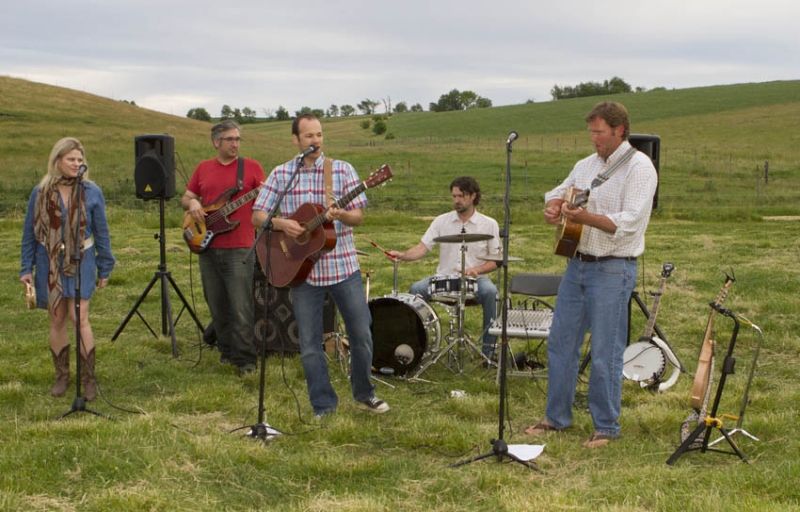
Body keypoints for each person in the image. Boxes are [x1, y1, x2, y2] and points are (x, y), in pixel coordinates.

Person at [525, 101, 658, 448]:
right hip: (577, 265)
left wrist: (584, 218)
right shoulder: (585, 165)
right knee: (560, 343)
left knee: (604, 351)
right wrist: (554, 207)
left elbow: (629, 223)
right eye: (591, 132)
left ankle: (606, 426)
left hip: (613, 268)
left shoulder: (640, 168)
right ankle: (556, 418)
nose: (594, 138)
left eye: (599, 132)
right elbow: (558, 192)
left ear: (619, 130)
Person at [251, 113, 389, 417]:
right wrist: (283, 224)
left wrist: (341, 215)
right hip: (303, 272)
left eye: (319, 135)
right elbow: (258, 216)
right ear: (296, 140)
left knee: (361, 334)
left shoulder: (341, 170)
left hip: (343, 268)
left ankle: (364, 393)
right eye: (309, 136)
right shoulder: (282, 174)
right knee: (310, 344)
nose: (316, 141)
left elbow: (358, 216)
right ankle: (323, 405)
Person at [20, 137, 115, 401]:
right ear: (58, 161)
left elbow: (102, 232)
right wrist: (26, 267)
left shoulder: (91, 191)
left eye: (79, 159)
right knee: (57, 317)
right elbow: (29, 233)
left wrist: (105, 267)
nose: (76, 163)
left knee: (79, 317)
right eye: (71, 159)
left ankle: (88, 378)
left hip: (82, 260)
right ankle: (62, 375)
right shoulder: (40, 192)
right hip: (48, 261)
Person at [181, 120, 263, 375]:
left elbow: (266, 198)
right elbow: (186, 196)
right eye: (230, 139)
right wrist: (193, 204)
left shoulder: (251, 167)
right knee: (217, 304)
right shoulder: (203, 168)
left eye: (238, 139)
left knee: (241, 306)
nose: (235, 144)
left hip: (240, 247)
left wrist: (265, 195)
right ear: (216, 142)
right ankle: (226, 352)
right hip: (207, 246)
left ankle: (245, 360)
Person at [388, 176, 501, 359]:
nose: (456, 200)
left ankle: (489, 351)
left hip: (475, 280)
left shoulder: (489, 224)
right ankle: (419, 347)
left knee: (491, 293)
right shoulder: (441, 221)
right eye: (454, 196)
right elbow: (422, 248)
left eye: (461, 196)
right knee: (416, 290)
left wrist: (477, 270)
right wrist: (402, 255)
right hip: (444, 279)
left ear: (473, 196)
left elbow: (496, 260)